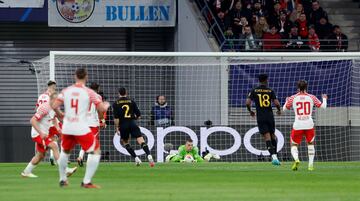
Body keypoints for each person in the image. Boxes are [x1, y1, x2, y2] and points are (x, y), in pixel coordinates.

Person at [52, 68, 110, 188]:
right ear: (86, 77)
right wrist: (106, 105)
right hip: (81, 126)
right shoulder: (89, 92)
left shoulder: (66, 91)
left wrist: (61, 114)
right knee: (96, 151)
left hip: (67, 126)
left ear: (75, 76)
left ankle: (63, 179)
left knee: (65, 152)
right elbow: (101, 109)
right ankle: (86, 181)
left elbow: (54, 106)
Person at [22, 92, 77, 178]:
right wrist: (40, 133)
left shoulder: (54, 107)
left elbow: (57, 116)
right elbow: (32, 120)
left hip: (44, 133)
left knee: (40, 155)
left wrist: (60, 126)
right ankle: (65, 170)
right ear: (51, 99)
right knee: (54, 146)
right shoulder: (44, 108)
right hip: (37, 134)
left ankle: (26, 172)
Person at [283, 80, 327, 171]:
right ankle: (310, 165)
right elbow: (323, 107)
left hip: (298, 124)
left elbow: (284, 109)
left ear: (298, 88)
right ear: (306, 87)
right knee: (310, 144)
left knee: (294, 144)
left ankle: (296, 159)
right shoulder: (312, 97)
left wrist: (286, 101)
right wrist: (324, 98)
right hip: (309, 124)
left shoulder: (292, 98)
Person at [113, 87, 155, 167]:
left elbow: (116, 118)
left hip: (123, 125)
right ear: (126, 92)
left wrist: (117, 127)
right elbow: (139, 115)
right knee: (141, 141)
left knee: (125, 142)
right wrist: (133, 118)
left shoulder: (115, 103)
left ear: (118, 93)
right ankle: (149, 155)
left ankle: (136, 158)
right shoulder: (131, 101)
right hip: (132, 123)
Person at [246, 74, 282, 166]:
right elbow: (277, 103)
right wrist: (279, 110)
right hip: (270, 116)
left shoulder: (254, 90)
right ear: (266, 80)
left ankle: (274, 157)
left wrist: (250, 111)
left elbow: (247, 103)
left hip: (261, 117)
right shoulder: (270, 90)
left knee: (267, 137)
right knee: (273, 136)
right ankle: (275, 156)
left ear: (259, 80)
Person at [77, 82, 106, 167]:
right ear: (98, 89)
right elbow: (100, 110)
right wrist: (102, 120)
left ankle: (80, 156)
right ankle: (89, 164)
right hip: (93, 123)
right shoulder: (98, 97)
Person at [35, 80, 60, 166]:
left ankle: (54, 157)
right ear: (52, 87)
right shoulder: (50, 97)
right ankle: (58, 159)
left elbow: (38, 108)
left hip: (43, 120)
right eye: (54, 87)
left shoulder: (41, 96)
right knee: (55, 138)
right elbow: (50, 109)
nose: (55, 88)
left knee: (53, 140)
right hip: (48, 121)